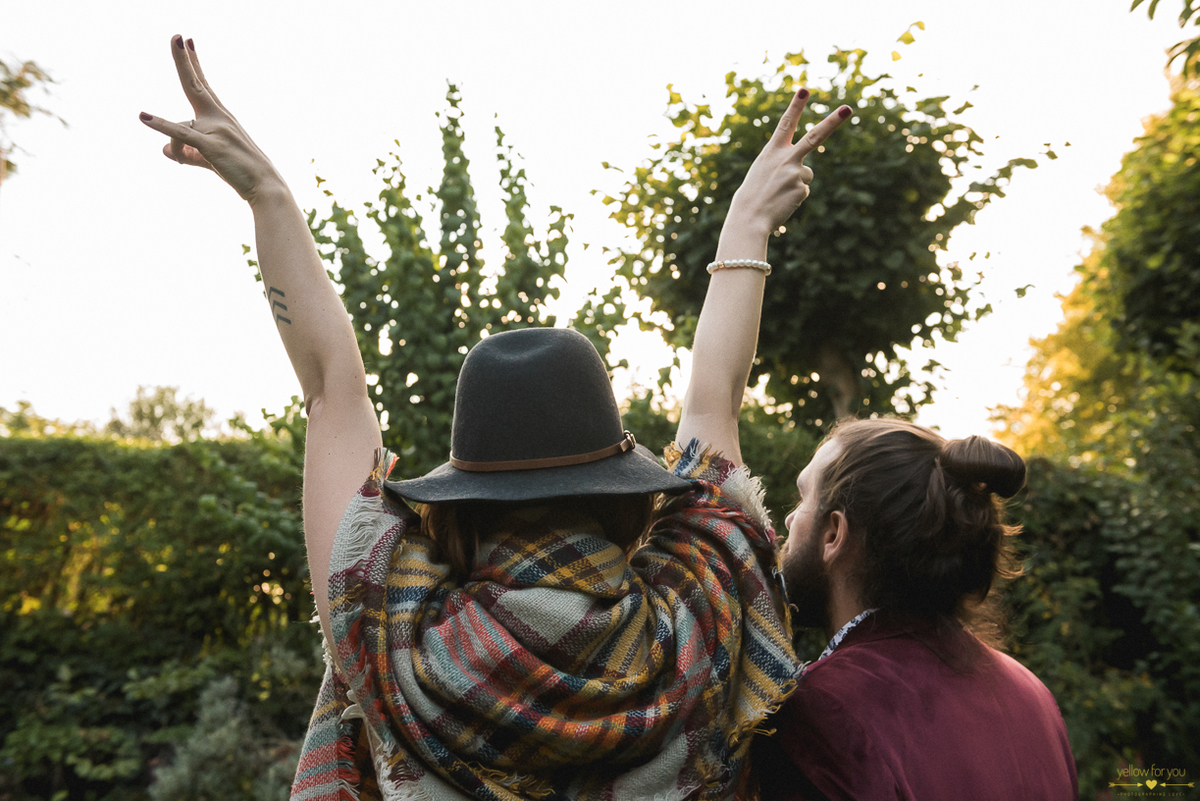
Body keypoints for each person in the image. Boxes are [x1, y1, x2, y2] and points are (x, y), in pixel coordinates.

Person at [140, 35, 848, 800]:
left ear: (460, 510)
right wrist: (746, 227)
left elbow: (331, 392)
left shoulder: (389, 630)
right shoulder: (698, 615)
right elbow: (715, 400)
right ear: (624, 497)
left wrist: (268, 196)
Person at [747, 419, 1079, 800]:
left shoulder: (823, 709)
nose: (789, 518)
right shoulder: (1030, 692)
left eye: (803, 497)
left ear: (834, 534)